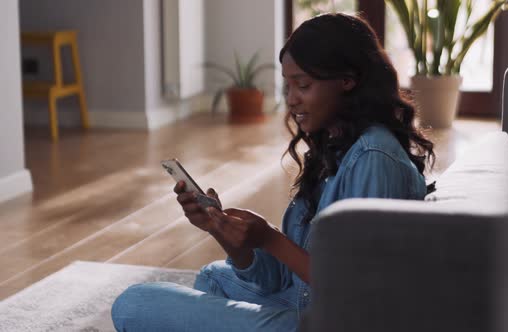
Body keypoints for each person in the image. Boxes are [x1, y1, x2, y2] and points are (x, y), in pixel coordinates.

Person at [111, 12, 434, 332]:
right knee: (214, 276)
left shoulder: (373, 157)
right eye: (287, 86)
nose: (291, 100)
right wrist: (222, 231)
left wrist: (269, 239)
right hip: (312, 302)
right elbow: (278, 278)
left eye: (303, 85)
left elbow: (356, 295)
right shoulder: (337, 144)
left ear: (348, 80)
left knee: (135, 303)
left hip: (338, 322)